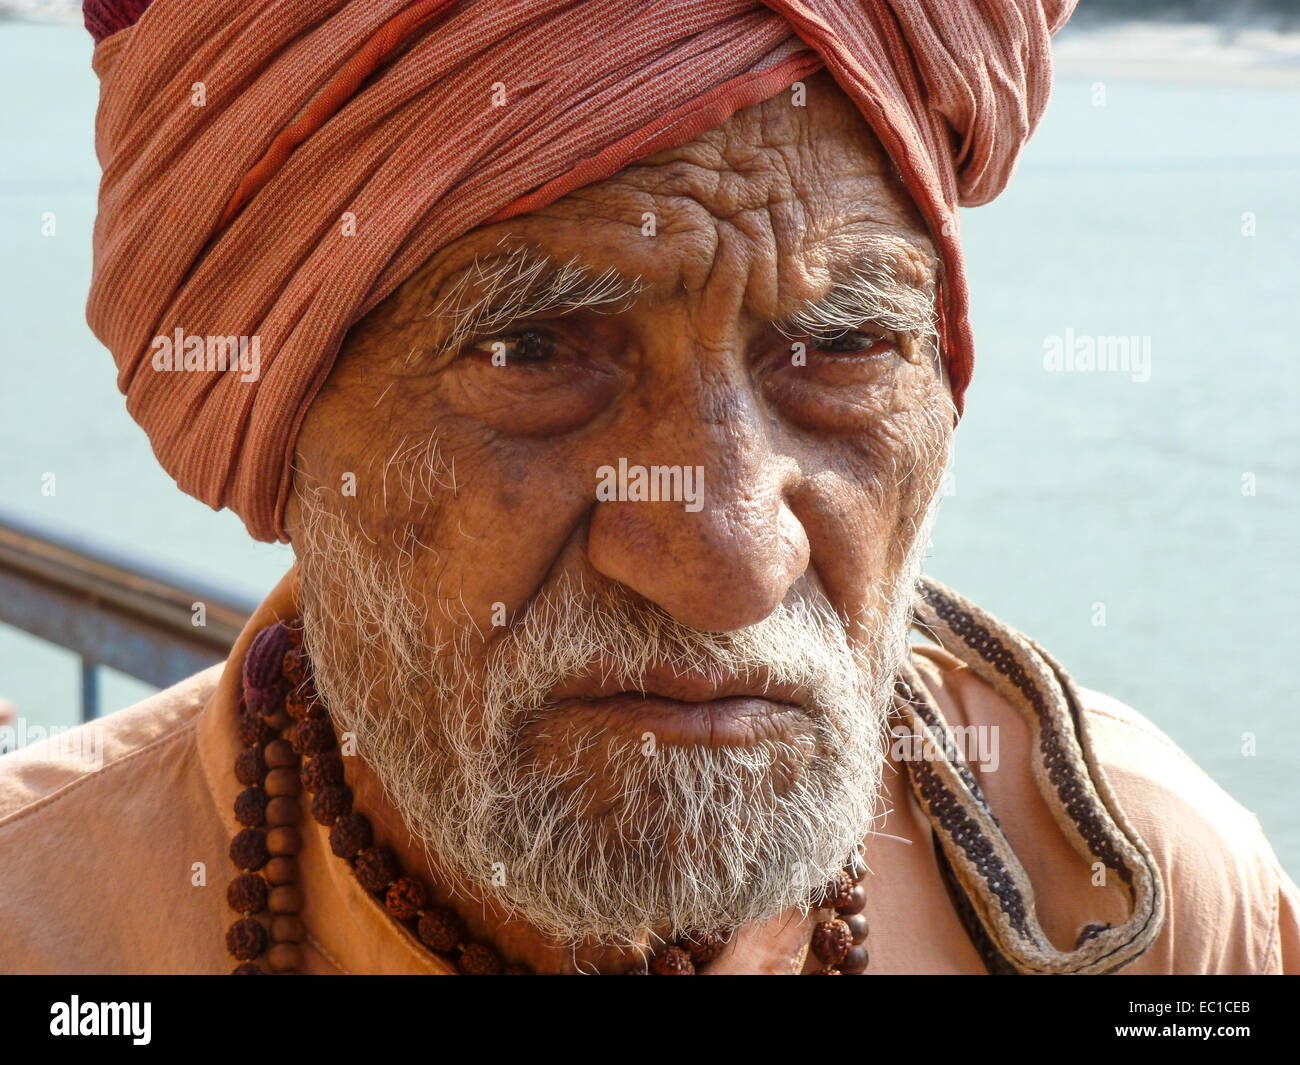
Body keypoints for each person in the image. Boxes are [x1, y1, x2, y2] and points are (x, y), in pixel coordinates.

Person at [0, 0, 1294, 975]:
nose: (732, 560)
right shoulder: (41, 920)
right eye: (533, 351)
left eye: (842, 347)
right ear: (278, 425)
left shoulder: (1150, 899)